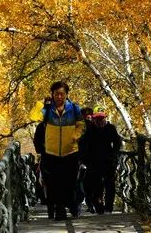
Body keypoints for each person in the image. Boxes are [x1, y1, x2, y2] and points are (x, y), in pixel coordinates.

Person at [29, 81, 85, 220]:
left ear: (66, 95)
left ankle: (71, 204)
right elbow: (33, 117)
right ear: (52, 95)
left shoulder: (74, 108)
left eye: (62, 94)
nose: (59, 97)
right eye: (56, 94)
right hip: (51, 152)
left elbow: (81, 125)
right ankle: (60, 211)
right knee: (55, 183)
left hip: (70, 151)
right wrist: (41, 104)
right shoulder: (47, 110)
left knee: (70, 182)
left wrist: (75, 136)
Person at [80, 107, 121, 214]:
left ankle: (108, 207)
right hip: (94, 162)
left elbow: (117, 142)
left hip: (108, 161)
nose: (99, 121)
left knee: (110, 185)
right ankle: (99, 206)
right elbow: (83, 145)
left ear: (104, 118)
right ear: (94, 119)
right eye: (97, 119)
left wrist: (114, 155)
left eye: (101, 118)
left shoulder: (110, 128)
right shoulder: (90, 129)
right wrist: (84, 160)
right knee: (96, 185)